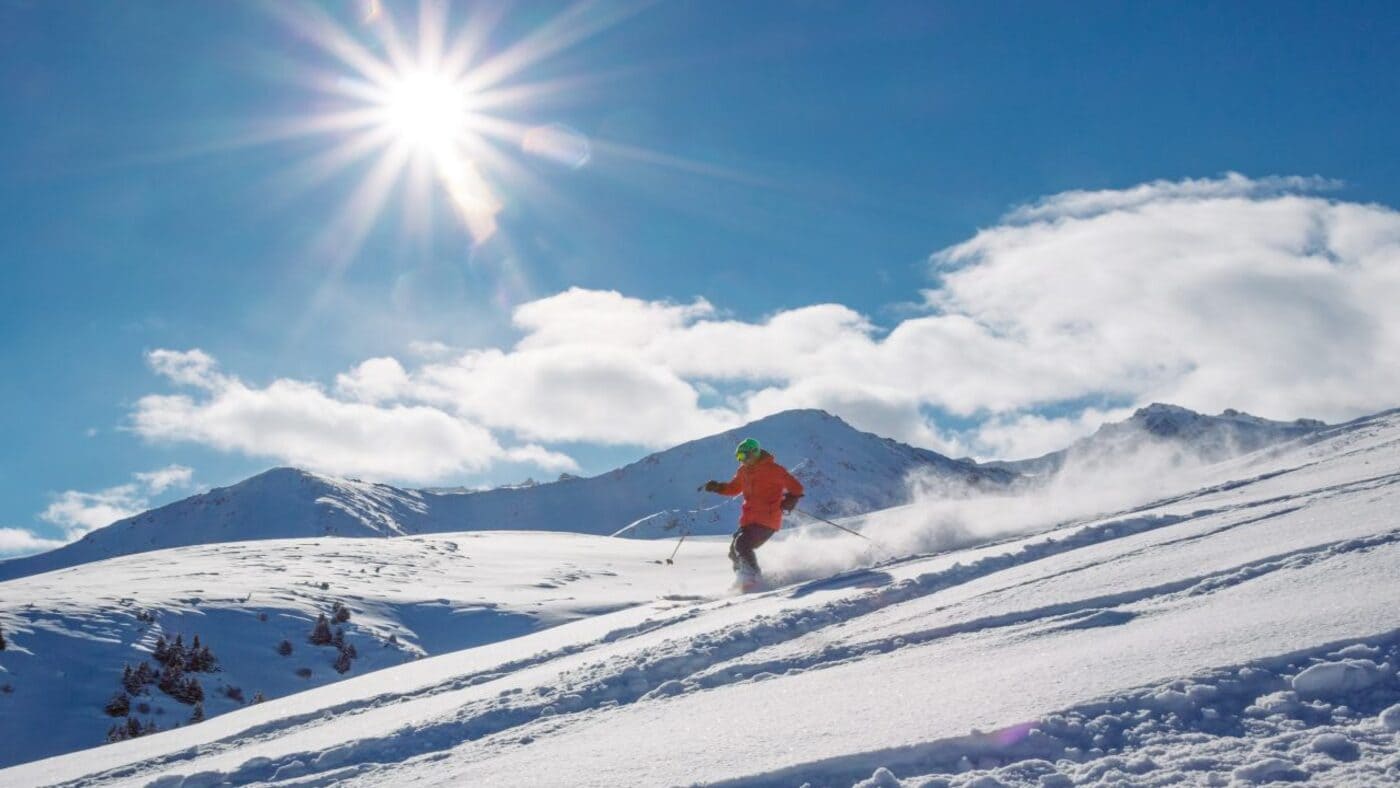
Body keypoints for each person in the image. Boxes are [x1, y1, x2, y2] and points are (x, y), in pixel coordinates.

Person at [702, 438, 804, 590]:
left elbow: (797, 487)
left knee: (742, 544)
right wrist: (718, 487)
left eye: (743, 456)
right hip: (749, 520)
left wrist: (791, 498)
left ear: (754, 453)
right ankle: (742, 579)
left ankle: (753, 578)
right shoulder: (743, 471)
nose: (741, 460)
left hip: (767, 519)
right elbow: (734, 488)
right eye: (739, 458)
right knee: (733, 551)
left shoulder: (773, 469)